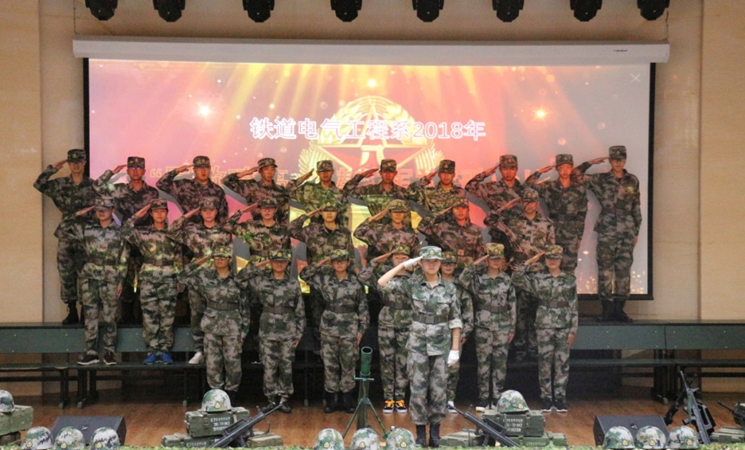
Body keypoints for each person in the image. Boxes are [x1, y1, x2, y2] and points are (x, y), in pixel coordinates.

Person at [377, 246, 462, 448]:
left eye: (435, 261)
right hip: (417, 346)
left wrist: (455, 349)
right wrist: (404, 266)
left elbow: (455, 319)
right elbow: (382, 282)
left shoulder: (449, 288)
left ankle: (435, 434)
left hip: (441, 345)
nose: (432, 264)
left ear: (440, 263)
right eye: (427, 261)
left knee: (439, 391)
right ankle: (421, 434)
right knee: (417, 390)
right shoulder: (412, 284)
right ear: (421, 263)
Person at [572, 146, 642, 322]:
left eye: (621, 159)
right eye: (615, 159)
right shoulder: (601, 179)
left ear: (625, 160)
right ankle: (607, 310)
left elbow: (636, 206)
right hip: (607, 230)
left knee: (623, 271)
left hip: (627, 230)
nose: (618, 163)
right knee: (605, 270)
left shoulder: (632, 180)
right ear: (610, 161)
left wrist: (636, 231)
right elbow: (575, 176)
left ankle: (619, 310)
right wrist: (589, 163)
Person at [484, 188, 555, 362]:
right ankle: (520, 348)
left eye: (532, 201)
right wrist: (507, 206)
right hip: (518, 272)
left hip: (538, 273)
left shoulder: (547, 224)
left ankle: (534, 348)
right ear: (521, 203)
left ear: (537, 203)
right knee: (519, 312)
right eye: (525, 201)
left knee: (536, 312)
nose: (529, 205)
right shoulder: (512, 222)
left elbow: (551, 250)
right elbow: (490, 220)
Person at [58, 198, 128, 366]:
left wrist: (121, 281)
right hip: (90, 277)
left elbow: (124, 257)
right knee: (90, 315)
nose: (101, 212)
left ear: (112, 210)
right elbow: (62, 229)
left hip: (111, 277)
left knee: (110, 316)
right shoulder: (87, 229)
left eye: (105, 209)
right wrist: (78, 213)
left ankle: (109, 351)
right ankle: (91, 351)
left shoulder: (120, 231)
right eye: (98, 209)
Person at [301, 249, 369, 415]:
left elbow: (363, 306)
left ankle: (347, 400)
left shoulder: (356, 282)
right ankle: (332, 400)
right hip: (329, 326)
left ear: (348, 262)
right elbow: (304, 275)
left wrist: (362, 329)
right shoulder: (324, 279)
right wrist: (320, 263)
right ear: (331, 263)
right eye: (335, 261)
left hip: (349, 327)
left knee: (348, 363)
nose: (339, 263)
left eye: (342, 260)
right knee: (330, 363)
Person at [93, 156, 160, 324]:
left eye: (138, 168)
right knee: (125, 273)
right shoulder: (119, 190)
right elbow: (97, 186)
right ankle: (127, 315)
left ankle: (143, 314)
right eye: (132, 168)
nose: (135, 171)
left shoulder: (152, 193)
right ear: (128, 171)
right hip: (127, 237)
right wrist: (111, 173)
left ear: (144, 171)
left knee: (146, 275)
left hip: (146, 238)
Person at [33, 149, 97, 325]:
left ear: (85, 163)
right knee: (66, 273)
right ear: (68, 164)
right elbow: (39, 184)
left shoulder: (93, 185)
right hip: (66, 233)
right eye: (72, 162)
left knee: (87, 273)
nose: (76, 165)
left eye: (79, 162)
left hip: (87, 235)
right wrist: (52, 169)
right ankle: (71, 309)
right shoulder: (60, 184)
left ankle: (85, 309)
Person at [512, 246, 577, 413]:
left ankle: (560, 398)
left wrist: (573, 330)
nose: (552, 261)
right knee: (544, 363)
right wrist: (531, 260)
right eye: (549, 258)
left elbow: (574, 306)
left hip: (563, 325)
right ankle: (546, 398)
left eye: (555, 258)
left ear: (560, 259)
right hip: (544, 324)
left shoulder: (569, 279)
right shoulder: (538, 278)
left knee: (562, 362)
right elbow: (516, 277)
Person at [179, 246, 249, 401]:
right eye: (216, 257)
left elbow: (245, 307)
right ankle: (216, 395)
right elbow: (183, 275)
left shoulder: (237, 278)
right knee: (212, 364)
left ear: (229, 259)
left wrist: (244, 332)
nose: (219, 260)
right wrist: (203, 259)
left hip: (233, 327)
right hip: (211, 326)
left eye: (223, 257)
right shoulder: (205, 276)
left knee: (233, 363)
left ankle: (231, 394)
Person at [169, 196, 234, 365]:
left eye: (211, 210)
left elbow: (229, 255)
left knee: (219, 313)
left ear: (216, 211)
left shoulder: (224, 231)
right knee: (197, 313)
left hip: (218, 277)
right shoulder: (193, 230)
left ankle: (217, 349)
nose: (208, 213)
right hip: (197, 277)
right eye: (204, 210)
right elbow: (172, 231)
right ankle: (200, 349)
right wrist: (189, 214)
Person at [240, 250, 304, 414]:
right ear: (271, 263)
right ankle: (271, 399)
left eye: (282, 261)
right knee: (269, 367)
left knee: (286, 367)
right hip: (267, 331)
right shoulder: (262, 282)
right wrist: (259, 266)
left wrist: (299, 333)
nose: (279, 264)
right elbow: (240, 278)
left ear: (287, 264)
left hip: (288, 331)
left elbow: (300, 310)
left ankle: (284, 399)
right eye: (276, 261)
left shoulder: (293, 284)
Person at [121, 199, 181, 364]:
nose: (159, 214)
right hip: (149, 278)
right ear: (151, 214)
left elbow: (178, 257)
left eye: (162, 211)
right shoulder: (144, 233)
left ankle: (165, 350)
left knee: (167, 316)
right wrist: (139, 213)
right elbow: (125, 231)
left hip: (168, 277)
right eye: (156, 211)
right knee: (149, 315)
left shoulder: (173, 233)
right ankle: (153, 350)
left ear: (167, 213)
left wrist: (179, 279)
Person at [458, 244, 516, 411]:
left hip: (502, 326)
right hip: (483, 326)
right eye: (492, 258)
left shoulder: (506, 279)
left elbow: (512, 304)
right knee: (483, 363)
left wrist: (512, 327)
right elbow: (462, 279)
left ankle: (497, 397)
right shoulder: (478, 279)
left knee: (500, 363)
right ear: (487, 260)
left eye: (498, 258)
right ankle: (484, 397)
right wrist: (476, 263)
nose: (495, 261)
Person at [358, 246, 414, 413]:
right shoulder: (384, 276)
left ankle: (400, 398)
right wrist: (375, 262)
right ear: (392, 259)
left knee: (403, 361)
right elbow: (363, 277)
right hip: (387, 321)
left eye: (404, 257)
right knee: (387, 361)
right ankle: (388, 398)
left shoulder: (415, 278)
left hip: (407, 321)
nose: (401, 260)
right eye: (397, 257)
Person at [525, 154, 588, 273]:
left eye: (568, 167)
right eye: (561, 167)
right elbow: (526, 187)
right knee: (551, 264)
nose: (565, 171)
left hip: (571, 231)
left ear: (572, 168)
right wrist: (539, 173)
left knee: (569, 267)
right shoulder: (549, 187)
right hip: (553, 230)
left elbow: (582, 213)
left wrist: (579, 236)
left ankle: (568, 286)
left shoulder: (579, 189)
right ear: (557, 169)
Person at [466, 154, 523, 255]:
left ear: (517, 169)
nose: (508, 172)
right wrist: (484, 174)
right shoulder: (491, 188)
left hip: (518, 237)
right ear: (500, 169)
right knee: (495, 263)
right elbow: (469, 187)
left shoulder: (524, 190)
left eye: (512, 168)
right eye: (505, 168)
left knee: (519, 264)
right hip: (498, 236)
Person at [439, 251, 474, 413]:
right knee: (434, 367)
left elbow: (468, 312)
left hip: (455, 333)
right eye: (445, 263)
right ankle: (436, 399)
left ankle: (449, 399)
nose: (448, 266)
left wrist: (465, 333)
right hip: (434, 332)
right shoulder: (432, 283)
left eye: (451, 264)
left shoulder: (460, 287)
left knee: (453, 368)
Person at [417, 197, 485, 271]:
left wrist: (478, 269)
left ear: (468, 210)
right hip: (448, 268)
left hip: (468, 270)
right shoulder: (443, 227)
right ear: (451, 210)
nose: (460, 211)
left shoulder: (475, 229)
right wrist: (439, 213)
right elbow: (421, 227)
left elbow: (480, 252)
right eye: (456, 208)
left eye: (463, 208)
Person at [156, 155, 229, 223]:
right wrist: (176, 171)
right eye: (199, 168)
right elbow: (161, 184)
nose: (203, 171)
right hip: (189, 230)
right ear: (194, 170)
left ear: (210, 169)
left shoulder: (218, 190)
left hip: (210, 231)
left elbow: (223, 215)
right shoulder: (183, 186)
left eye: (206, 168)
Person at [288, 159, 359, 228]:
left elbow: (344, 219)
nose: (325, 174)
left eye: (328, 171)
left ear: (332, 172)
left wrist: (342, 234)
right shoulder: (308, 190)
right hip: (313, 232)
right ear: (318, 173)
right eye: (322, 171)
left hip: (332, 232)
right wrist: (302, 178)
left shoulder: (340, 194)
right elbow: (287, 192)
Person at [222, 157, 290, 224]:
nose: (270, 172)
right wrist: (247, 172)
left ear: (275, 171)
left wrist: (284, 228)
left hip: (277, 228)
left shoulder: (281, 190)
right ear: (260, 171)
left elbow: (285, 211)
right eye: (266, 169)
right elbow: (227, 181)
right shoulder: (251, 187)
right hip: (257, 228)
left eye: (272, 169)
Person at [222, 197, 290, 263]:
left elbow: (287, 254)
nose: (267, 211)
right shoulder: (251, 227)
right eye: (264, 208)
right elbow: (228, 226)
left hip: (275, 265)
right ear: (260, 210)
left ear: (275, 210)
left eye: (270, 208)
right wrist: (241, 211)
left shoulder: (283, 230)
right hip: (255, 266)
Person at [353, 199, 419, 260]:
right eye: (395, 212)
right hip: (383, 267)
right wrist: (372, 219)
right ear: (390, 213)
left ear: (404, 214)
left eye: (401, 212)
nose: (398, 215)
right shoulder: (379, 231)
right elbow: (358, 232)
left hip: (403, 266)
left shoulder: (411, 234)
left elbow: (416, 256)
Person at [343, 159, 409, 219]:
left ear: (395, 173)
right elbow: (346, 191)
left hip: (396, 227)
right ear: (380, 173)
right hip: (376, 226)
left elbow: (407, 213)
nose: (388, 175)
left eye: (390, 172)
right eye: (385, 172)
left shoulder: (402, 192)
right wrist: (360, 176)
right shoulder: (370, 190)